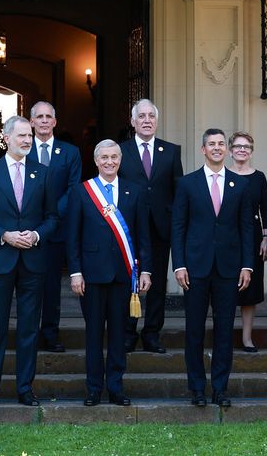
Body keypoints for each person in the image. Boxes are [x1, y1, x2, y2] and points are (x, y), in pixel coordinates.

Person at [0, 115, 58, 407]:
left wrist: (35, 234)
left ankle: (25, 388)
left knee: (29, 328)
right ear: (6, 138)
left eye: (29, 136)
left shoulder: (43, 173)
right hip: (0, 260)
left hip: (33, 261)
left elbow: (53, 217)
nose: (27, 141)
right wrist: (3, 235)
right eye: (21, 136)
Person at [66, 139, 152, 406]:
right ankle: (93, 388)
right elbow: (73, 237)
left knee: (118, 334)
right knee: (93, 335)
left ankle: (115, 387)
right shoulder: (82, 192)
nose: (110, 162)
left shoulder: (134, 191)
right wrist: (75, 272)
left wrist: (146, 270)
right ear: (96, 160)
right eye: (104, 157)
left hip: (124, 276)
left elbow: (143, 235)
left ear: (120, 159)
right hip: (91, 277)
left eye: (114, 157)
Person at [172, 129, 253, 407]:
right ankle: (196, 388)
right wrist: (179, 264)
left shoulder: (240, 185)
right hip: (194, 268)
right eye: (212, 144)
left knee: (224, 330)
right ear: (203, 149)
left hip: (229, 269)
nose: (217, 148)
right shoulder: (187, 184)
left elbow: (246, 228)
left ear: (226, 149)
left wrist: (247, 265)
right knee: (194, 330)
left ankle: (220, 388)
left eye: (221, 144)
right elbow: (178, 226)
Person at [118, 98, 183, 354]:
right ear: (133, 122)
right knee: (129, 282)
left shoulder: (171, 151)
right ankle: (126, 332)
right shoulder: (121, 151)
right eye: (141, 116)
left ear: (157, 121)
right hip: (128, 228)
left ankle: (152, 333)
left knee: (156, 284)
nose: (147, 121)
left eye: (151, 116)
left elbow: (178, 191)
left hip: (160, 227)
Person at [28, 101, 81, 352]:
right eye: (40, 117)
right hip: (27, 230)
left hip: (56, 230)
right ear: (31, 122)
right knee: (28, 285)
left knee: (51, 286)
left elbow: (73, 189)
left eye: (49, 116)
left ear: (55, 122)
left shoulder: (70, 152)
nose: (44, 121)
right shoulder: (22, 149)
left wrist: (49, 217)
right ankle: (28, 334)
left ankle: (50, 333)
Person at [227, 131, 267, 352]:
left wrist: (266, 239)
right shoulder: (222, 174)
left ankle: (247, 338)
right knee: (224, 288)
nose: (242, 150)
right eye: (237, 146)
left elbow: (266, 209)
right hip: (226, 237)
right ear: (230, 150)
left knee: (250, 290)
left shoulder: (259, 177)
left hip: (253, 238)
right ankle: (223, 337)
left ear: (251, 152)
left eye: (246, 147)